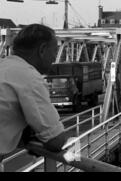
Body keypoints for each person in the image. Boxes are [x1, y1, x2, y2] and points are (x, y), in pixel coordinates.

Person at [0, 24, 69, 165]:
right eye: (54, 51)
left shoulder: (4, 67)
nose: (55, 57)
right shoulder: (29, 78)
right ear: (42, 50)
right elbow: (55, 140)